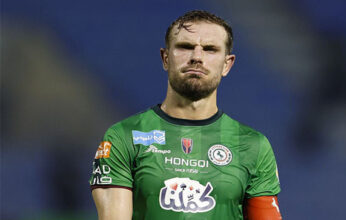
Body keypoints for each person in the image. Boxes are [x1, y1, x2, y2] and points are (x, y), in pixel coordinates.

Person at [90, 10, 282, 220]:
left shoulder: (254, 145)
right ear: (165, 58)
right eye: (185, 47)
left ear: (227, 64)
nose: (197, 57)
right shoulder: (124, 137)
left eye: (210, 49)